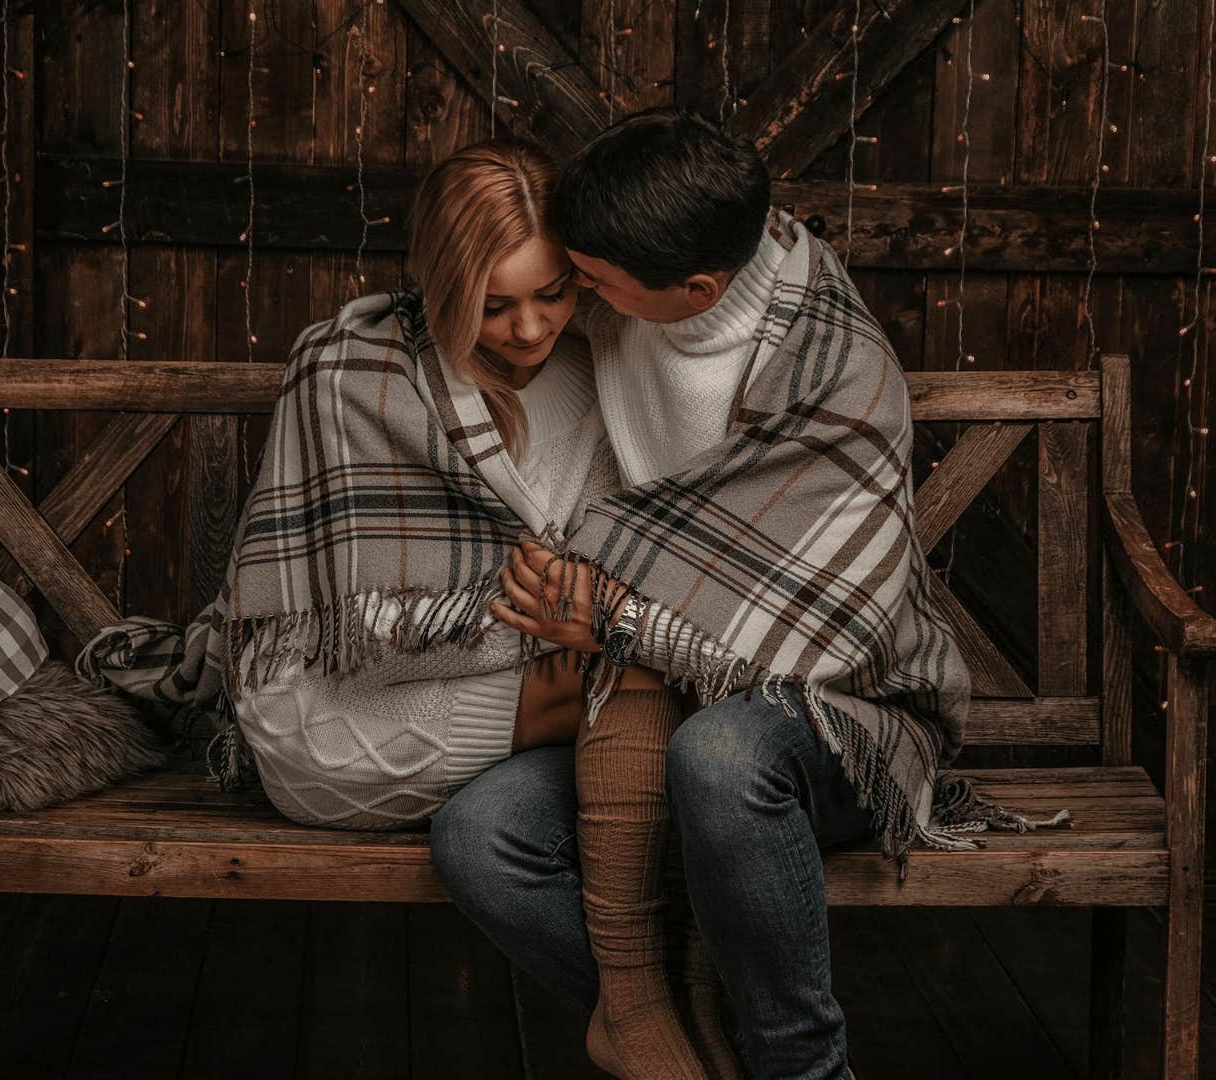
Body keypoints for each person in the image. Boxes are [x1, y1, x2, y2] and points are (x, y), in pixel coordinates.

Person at [78, 137, 738, 1080]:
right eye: (493, 303)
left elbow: (635, 562)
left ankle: (658, 1023)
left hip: (534, 688)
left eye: (552, 292)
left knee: (644, 698)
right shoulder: (352, 369)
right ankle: (680, 1025)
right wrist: (545, 613)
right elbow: (359, 637)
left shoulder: (605, 374)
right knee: (633, 693)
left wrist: (577, 610)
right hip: (337, 719)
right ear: (439, 280)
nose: (526, 329)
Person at [431, 109, 1047, 1080]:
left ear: (700, 290)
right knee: (483, 833)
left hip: (832, 713)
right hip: (641, 703)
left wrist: (617, 615)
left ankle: (800, 1067)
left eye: (589, 285)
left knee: (720, 754)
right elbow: (490, 306)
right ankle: (672, 1037)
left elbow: (833, 630)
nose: (573, 302)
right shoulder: (635, 285)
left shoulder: (834, 368)